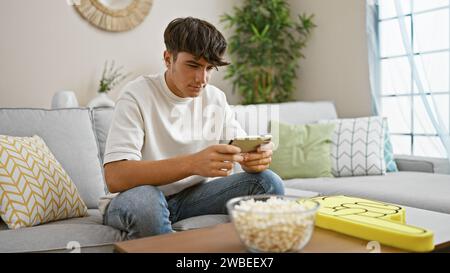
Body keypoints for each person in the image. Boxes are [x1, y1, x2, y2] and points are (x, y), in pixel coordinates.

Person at [102, 17, 284, 239]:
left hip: (192, 199)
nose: (202, 79)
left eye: (209, 68)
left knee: (268, 182)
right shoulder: (136, 95)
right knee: (147, 202)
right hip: (137, 198)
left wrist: (256, 159)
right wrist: (193, 163)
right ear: (168, 59)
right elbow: (115, 177)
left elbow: (241, 150)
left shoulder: (215, 98)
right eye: (193, 65)